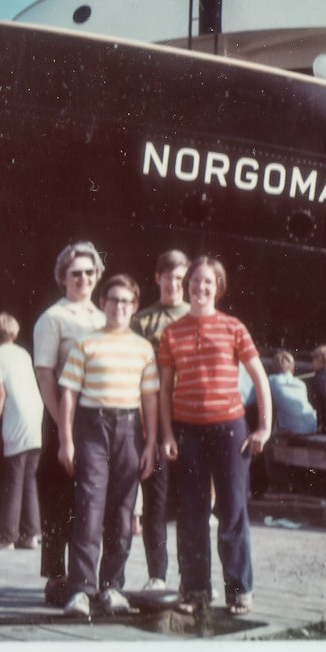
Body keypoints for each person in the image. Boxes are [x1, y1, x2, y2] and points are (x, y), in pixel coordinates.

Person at [158, 256, 272, 617]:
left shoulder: (234, 327)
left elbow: (259, 378)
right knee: (191, 512)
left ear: (217, 288)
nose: (200, 288)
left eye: (208, 282)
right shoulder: (171, 332)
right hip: (186, 430)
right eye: (195, 281)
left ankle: (239, 590)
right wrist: (166, 434)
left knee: (232, 511)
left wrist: (264, 427)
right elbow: (163, 390)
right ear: (185, 284)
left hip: (229, 430)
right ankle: (194, 590)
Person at [58, 274, 159, 618]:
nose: (119, 307)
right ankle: (80, 591)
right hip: (92, 426)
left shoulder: (143, 348)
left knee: (123, 511)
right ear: (103, 303)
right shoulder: (85, 344)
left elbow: (149, 398)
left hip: (130, 430)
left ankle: (112, 587)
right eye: (113, 300)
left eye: (126, 301)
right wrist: (66, 440)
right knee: (89, 507)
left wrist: (151, 443)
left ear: (134, 306)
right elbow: (69, 393)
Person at [33, 241, 106, 607]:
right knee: (59, 499)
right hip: (64, 417)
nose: (83, 279)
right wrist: (62, 418)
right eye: (76, 273)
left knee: (88, 502)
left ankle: (84, 576)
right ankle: (56, 577)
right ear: (63, 276)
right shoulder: (53, 318)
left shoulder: (101, 317)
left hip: (96, 419)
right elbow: (44, 372)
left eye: (90, 273)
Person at [130, 249, 190, 591]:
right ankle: (157, 576)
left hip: (190, 419)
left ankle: (192, 578)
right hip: (153, 417)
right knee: (155, 499)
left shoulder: (198, 318)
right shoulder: (142, 321)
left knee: (190, 502)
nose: (173, 284)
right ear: (157, 278)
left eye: (180, 278)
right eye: (168, 277)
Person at [0, 312, 43, 551]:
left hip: (19, 415)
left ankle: (6, 537)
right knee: (28, 476)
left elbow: (0, 394)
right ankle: (31, 535)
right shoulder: (23, 352)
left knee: (15, 476)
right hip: (35, 413)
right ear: (14, 332)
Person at [268, 350, 317, 434]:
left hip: (292, 428)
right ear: (293, 370)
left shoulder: (271, 380)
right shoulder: (301, 383)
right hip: (311, 424)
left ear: (273, 368)